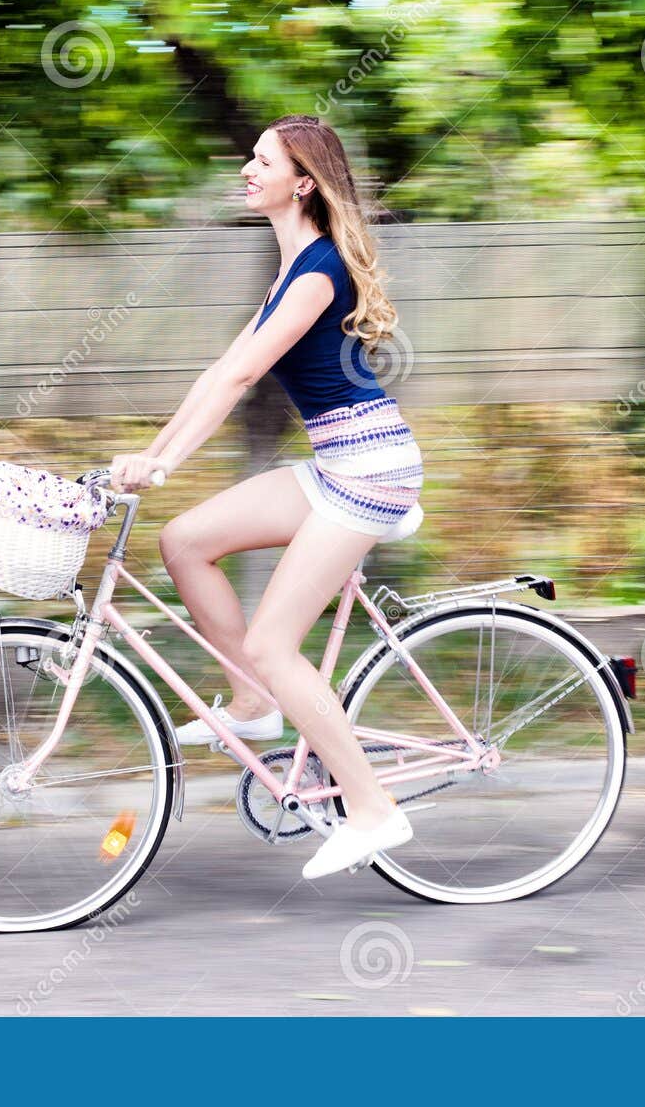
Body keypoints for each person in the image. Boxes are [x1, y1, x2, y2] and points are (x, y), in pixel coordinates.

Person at [108, 114, 425, 881]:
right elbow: (218, 372)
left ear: (303, 183)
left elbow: (244, 379)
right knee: (184, 541)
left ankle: (375, 809)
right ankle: (252, 704)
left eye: (262, 162)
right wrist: (152, 456)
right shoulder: (292, 266)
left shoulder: (317, 271)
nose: (246, 170)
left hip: (369, 472)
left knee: (274, 642)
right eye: (249, 158)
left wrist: (165, 461)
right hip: (336, 466)